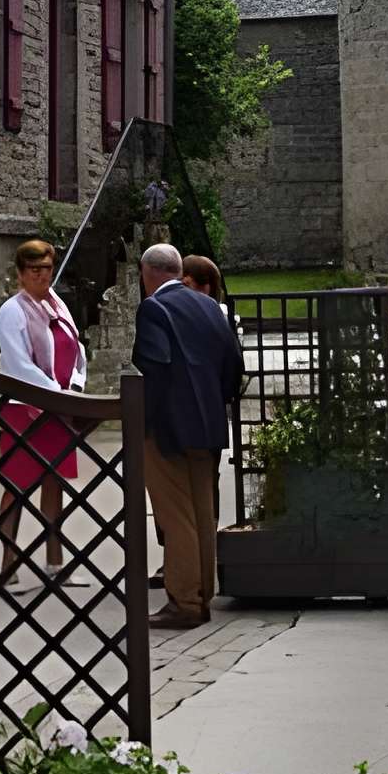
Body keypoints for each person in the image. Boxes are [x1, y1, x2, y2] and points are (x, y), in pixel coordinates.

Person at [132, 240, 240, 630]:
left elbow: (152, 366)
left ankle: (184, 601)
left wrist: (149, 422)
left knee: (175, 514)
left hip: (168, 426)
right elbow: (234, 364)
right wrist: (214, 402)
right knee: (202, 512)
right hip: (209, 422)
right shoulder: (211, 306)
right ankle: (203, 593)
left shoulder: (154, 308)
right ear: (178, 271)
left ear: (147, 274)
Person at [0, 239, 84, 599]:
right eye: (34, 270)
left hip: (58, 409)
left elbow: (78, 351)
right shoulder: (12, 311)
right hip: (24, 410)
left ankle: (55, 563)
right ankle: (7, 566)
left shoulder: (58, 305)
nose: (42, 276)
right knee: (15, 486)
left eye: (47, 269)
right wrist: (51, 391)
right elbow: (17, 362)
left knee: (55, 483)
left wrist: (74, 387)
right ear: (20, 273)